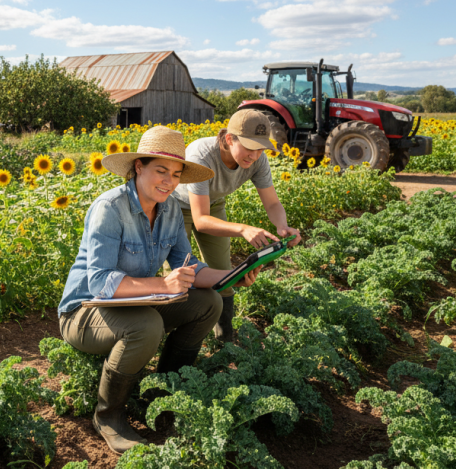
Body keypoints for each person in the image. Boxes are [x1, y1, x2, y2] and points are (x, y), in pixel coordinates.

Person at [57, 126, 264, 455]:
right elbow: (99, 283)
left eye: (176, 174)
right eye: (161, 171)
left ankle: (161, 390)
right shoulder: (110, 208)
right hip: (84, 312)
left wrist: (231, 277)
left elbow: (191, 267)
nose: (169, 181)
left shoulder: (167, 210)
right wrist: (162, 284)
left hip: (133, 302)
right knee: (147, 326)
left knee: (209, 302)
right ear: (139, 167)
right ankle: (108, 415)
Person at [172, 109, 302, 342]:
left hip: (213, 203)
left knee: (225, 272)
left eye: (261, 148)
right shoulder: (202, 156)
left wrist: (283, 228)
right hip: (175, 207)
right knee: (178, 273)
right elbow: (201, 220)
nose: (255, 155)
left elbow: (272, 203)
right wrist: (243, 229)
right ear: (230, 138)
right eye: (250, 147)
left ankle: (224, 339)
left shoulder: (258, 160)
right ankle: (177, 339)